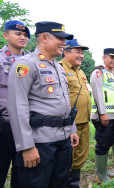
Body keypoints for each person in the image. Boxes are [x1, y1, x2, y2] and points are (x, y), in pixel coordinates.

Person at [7, 21, 79, 188]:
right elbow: (17, 107)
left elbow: (64, 101)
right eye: (60, 38)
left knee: (60, 183)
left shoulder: (58, 68)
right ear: (45, 38)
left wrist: (71, 129)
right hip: (39, 143)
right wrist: (26, 147)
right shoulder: (26, 65)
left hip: (62, 140)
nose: (64, 43)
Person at [0, 20, 30, 188]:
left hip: (26, 125)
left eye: (25, 35)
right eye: (18, 34)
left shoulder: (30, 60)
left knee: (22, 170)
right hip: (4, 124)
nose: (23, 38)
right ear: (5, 35)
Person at [59, 39, 91, 188]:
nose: (81, 55)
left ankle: (74, 183)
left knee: (81, 154)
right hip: (70, 124)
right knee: (68, 157)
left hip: (84, 121)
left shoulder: (80, 71)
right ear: (66, 52)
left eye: (82, 52)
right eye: (78, 52)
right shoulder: (60, 69)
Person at [90, 48, 114, 182]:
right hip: (103, 116)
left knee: (108, 142)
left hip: (113, 115)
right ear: (104, 58)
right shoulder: (98, 73)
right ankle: (99, 175)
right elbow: (98, 94)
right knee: (102, 143)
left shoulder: (112, 74)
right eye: (111, 57)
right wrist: (103, 113)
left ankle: (104, 170)